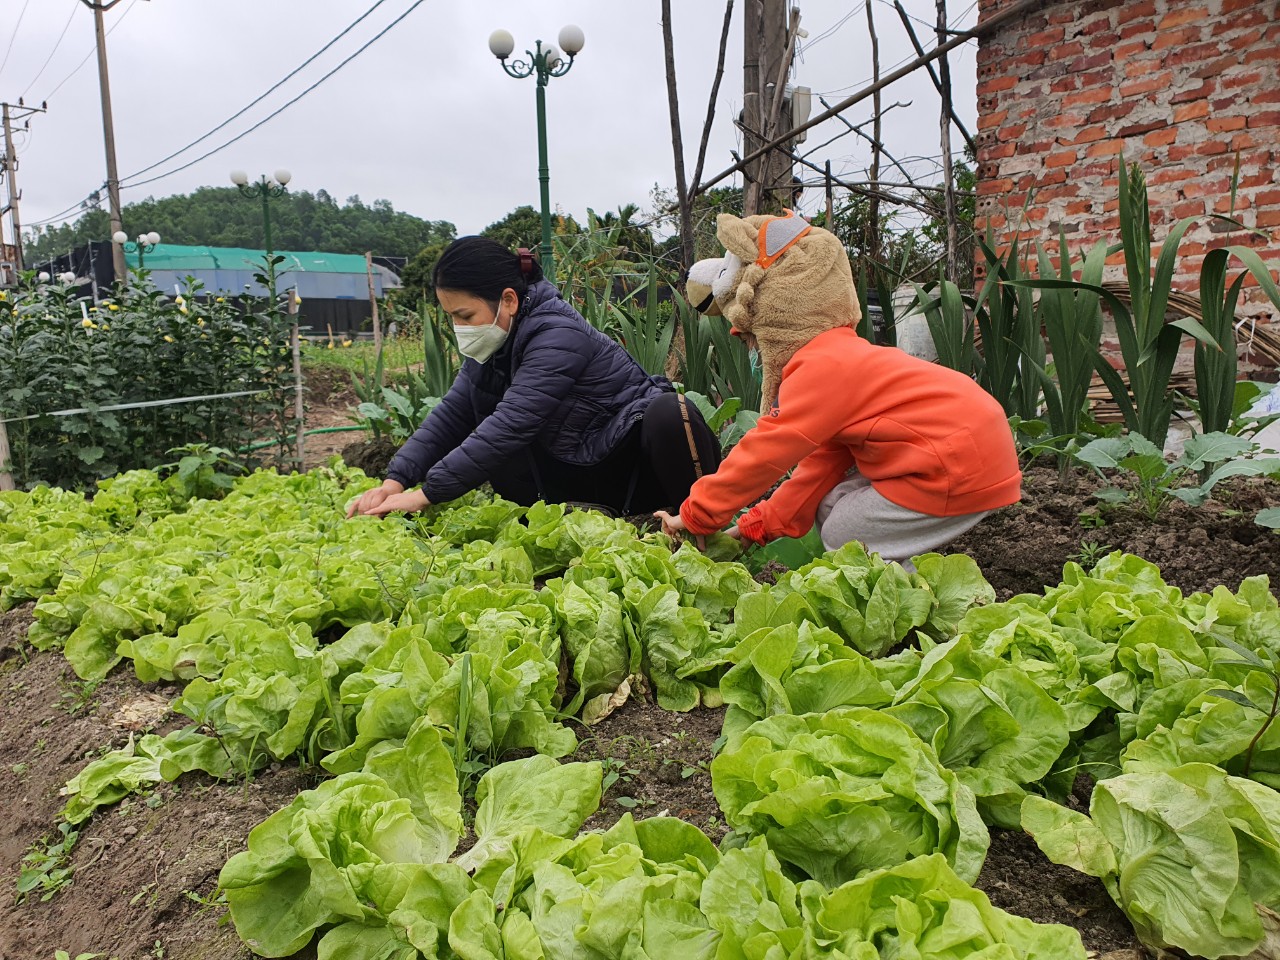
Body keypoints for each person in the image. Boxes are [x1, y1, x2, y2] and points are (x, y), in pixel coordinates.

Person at [655, 210, 1021, 568]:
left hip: (955, 463)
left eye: (752, 339)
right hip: (967, 448)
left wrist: (698, 513)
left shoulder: (820, 369)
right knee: (832, 504)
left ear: (776, 324)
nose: (753, 351)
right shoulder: (840, 359)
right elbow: (820, 468)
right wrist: (754, 527)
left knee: (846, 536)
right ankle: (906, 585)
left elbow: (765, 451)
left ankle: (909, 602)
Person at [347, 236, 720, 519]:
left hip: (629, 470)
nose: (459, 327)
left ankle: (696, 519)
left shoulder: (557, 333)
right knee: (486, 424)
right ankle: (569, 517)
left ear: (508, 300)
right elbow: (452, 414)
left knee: (670, 411)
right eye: (452, 318)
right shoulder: (496, 342)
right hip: (578, 471)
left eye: (465, 316)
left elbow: (514, 422)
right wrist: (395, 481)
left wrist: (425, 495)